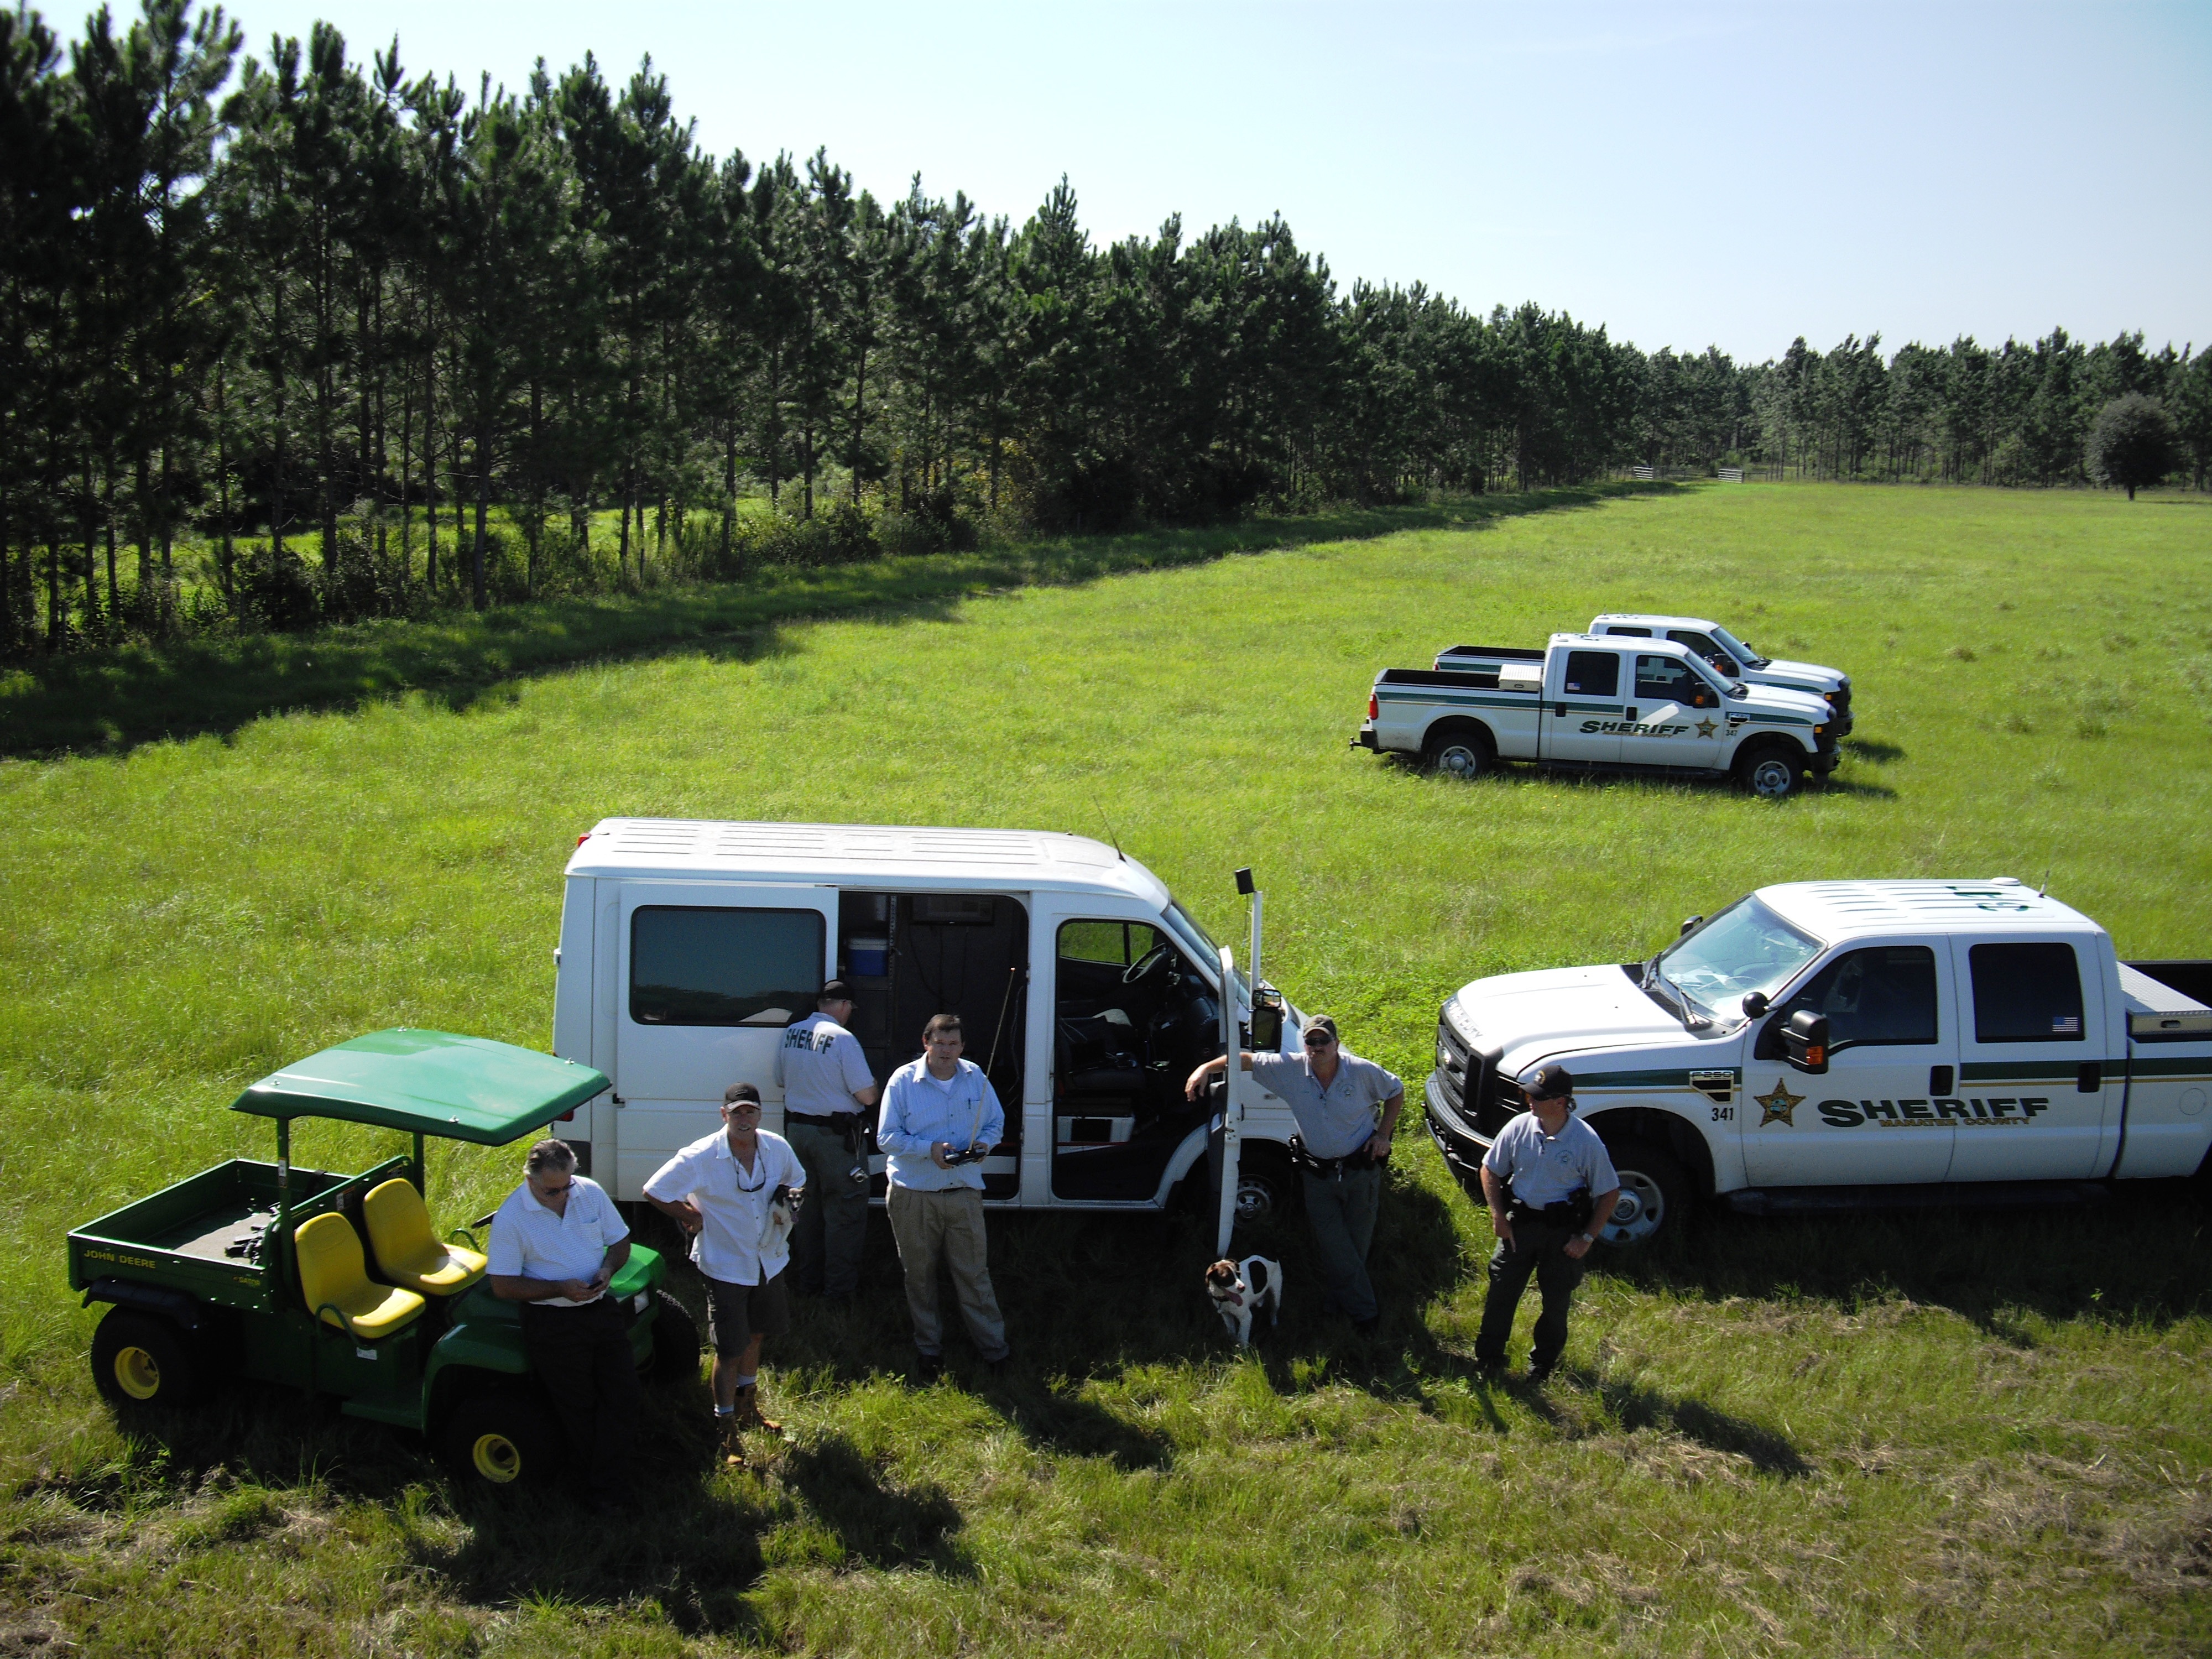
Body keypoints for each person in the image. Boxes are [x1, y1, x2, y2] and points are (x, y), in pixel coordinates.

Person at [1185, 1014, 1405, 1332]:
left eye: (1324, 1041)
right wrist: (1205, 1069)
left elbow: (1396, 1091)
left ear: (1337, 1044)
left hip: (1361, 1172)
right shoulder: (1289, 1068)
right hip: (1318, 1176)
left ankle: (1336, 1301)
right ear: (1304, 1046)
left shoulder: (1361, 1071)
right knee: (1335, 1245)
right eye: (1311, 1041)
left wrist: (1384, 1134)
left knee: (1355, 1247)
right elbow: (1245, 1059)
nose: (1317, 1047)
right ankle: (1366, 1316)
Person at [643, 1082, 806, 1453]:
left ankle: (749, 1408)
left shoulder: (777, 1148)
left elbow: (797, 1180)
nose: (744, 1119)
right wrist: (689, 1215)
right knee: (729, 1349)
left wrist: (789, 1203)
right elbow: (654, 1190)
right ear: (724, 1115)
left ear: (760, 1115)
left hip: (769, 1260)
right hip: (726, 1265)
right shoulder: (700, 1156)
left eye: (750, 1112)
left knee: (757, 1334)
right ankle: (725, 1425)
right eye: (737, 1113)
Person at [487, 1138, 643, 1510]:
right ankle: (600, 1492)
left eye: (565, 1186)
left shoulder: (589, 1192)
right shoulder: (511, 1218)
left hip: (599, 1307)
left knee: (624, 1395)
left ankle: (609, 1478)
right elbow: (504, 1285)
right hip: (551, 1320)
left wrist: (607, 1269)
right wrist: (559, 1288)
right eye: (549, 1190)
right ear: (529, 1178)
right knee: (579, 1407)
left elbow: (620, 1242)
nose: (559, 1196)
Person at [877, 1013, 1010, 1378]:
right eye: (940, 1043)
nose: (946, 1051)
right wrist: (929, 1149)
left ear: (962, 1047)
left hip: (964, 1191)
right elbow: (885, 1138)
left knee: (974, 1273)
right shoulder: (903, 1082)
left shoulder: (975, 1077)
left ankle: (994, 1351)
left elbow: (996, 1123)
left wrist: (985, 1144)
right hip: (914, 1193)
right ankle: (929, 1350)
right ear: (926, 1043)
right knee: (919, 1275)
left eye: (953, 1044)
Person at [1474, 1063, 1622, 1383]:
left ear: (1561, 1102)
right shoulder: (1518, 1127)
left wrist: (1586, 1238)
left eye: (1538, 1097)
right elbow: (1490, 1170)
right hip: (1520, 1225)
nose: (1530, 1101)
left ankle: (1542, 1365)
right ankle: (1489, 1358)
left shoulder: (1586, 1142)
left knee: (1555, 1303)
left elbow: (1609, 1192)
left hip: (1561, 1233)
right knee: (1500, 1292)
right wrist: (1498, 1216)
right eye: (1529, 1094)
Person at [775, 980, 878, 1301]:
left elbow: (780, 1081)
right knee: (845, 1211)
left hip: (797, 1134)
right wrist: (873, 1085)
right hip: (835, 1139)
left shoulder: (791, 1033)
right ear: (845, 1006)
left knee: (805, 1210)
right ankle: (839, 1292)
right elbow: (867, 1096)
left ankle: (807, 1284)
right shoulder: (843, 1038)